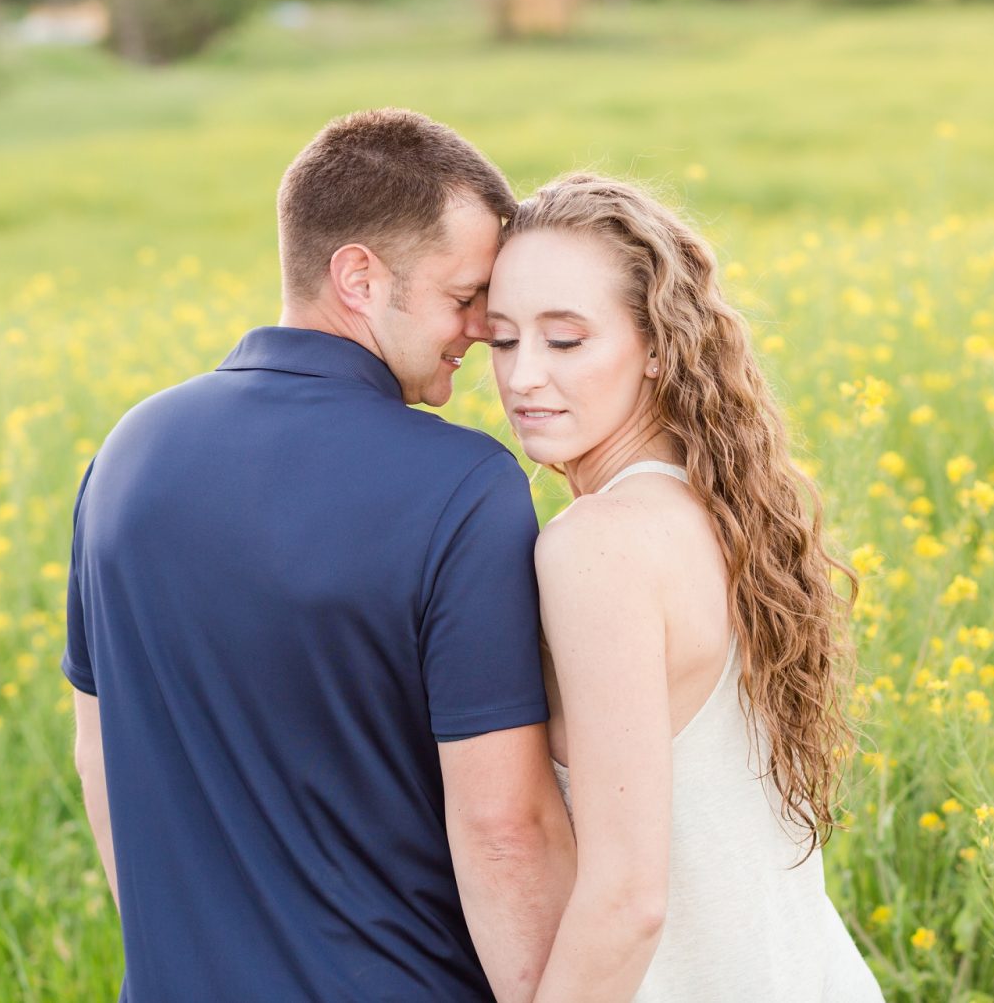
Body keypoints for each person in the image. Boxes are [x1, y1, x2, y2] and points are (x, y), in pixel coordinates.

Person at [63, 109, 574, 1001]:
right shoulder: (462, 486)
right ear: (358, 277)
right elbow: (505, 828)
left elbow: (98, 752)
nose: (483, 331)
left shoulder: (128, 453)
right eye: (464, 297)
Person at [484, 173, 885, 1002]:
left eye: (565, 341)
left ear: (658, 345)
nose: (523, 377)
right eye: (500, 338)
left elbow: (628, 899)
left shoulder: (597, 545)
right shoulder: (724, 513)